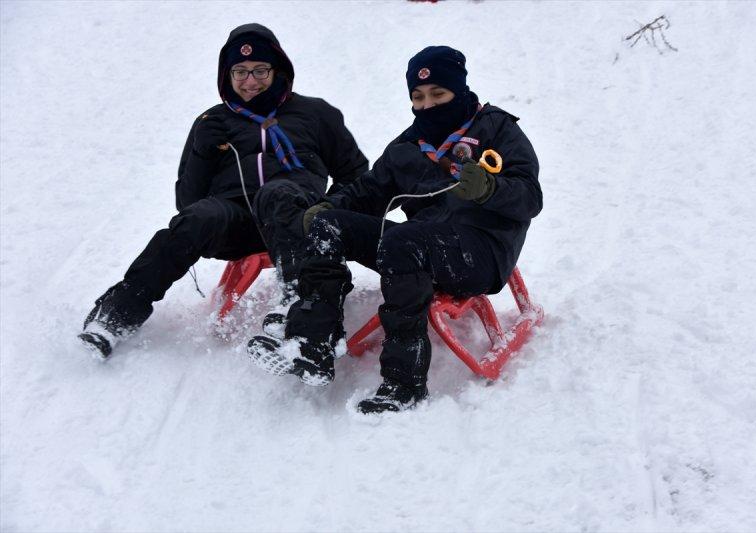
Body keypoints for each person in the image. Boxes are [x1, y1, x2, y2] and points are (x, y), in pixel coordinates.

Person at [247, 45, 542, 414]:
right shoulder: (409, 146)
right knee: (328, 226)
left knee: (403, 241)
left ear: (459, 91)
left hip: (481, 252)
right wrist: (323, 210)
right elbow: (367, 192)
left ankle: (405, 384)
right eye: (418, 97)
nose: (426, 105)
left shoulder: (497, 128)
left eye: (438, 94)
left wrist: (490, 189)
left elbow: (531, 197)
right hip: (419, 247)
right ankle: (313, 343)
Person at [78, 23, 368, 358]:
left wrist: (328, 212)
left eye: (260, 70)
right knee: (199, 217)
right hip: (238, 223)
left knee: (277, 193)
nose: (250, 81)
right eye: (240, 71)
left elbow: (358, 176)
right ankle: (116, 315)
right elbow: (187, 203)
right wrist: (202, 151)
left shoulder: (316, 114)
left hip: (297, 220)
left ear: (279, 70)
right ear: (226, 76)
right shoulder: (212, 122)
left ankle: (295, 307)